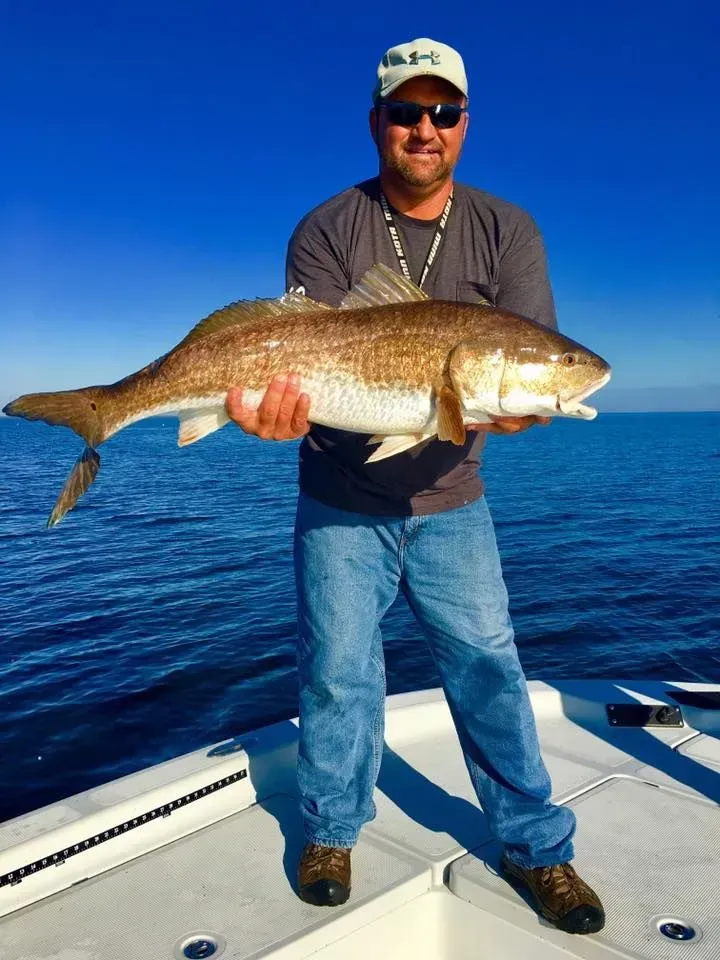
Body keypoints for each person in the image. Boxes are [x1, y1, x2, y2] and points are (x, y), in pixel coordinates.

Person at [226, 38, 605, 936]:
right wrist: (266, 413)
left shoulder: (507, 230)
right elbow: (304, 358)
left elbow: (526, 372)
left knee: (490, 672)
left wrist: (521, 397)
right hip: (338, 498)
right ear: (377, 123)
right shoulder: (327, 229)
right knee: (335, 675)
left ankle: (535, 848)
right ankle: (329, 830)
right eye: (406, 111)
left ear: (465, 125)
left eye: (443, 112)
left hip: (453, 501)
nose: (424, 128)